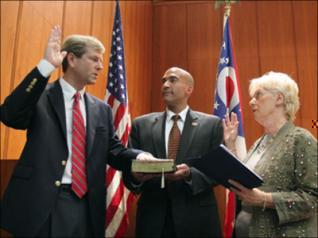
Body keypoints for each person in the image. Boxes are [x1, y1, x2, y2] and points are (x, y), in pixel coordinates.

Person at [0, 25, 154, 237]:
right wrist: (45, 66)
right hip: (42, 202)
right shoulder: (41, 96)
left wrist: (140, 156)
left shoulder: (102, 109)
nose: (100, 66)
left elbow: (113, 150)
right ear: (71, 59)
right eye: (94, 59)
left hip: (86, 204)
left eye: (101, 60)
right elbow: (10, 115)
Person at [123, 67, 223, 237]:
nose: (166, 85)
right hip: (153, 219)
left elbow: (218, 170)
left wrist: (189, 174)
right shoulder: (141, 124)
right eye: (163, 81)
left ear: (188, 89)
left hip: (197, 219)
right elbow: (128, 170)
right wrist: (136, 175)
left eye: (173, 80)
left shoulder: (212, 125)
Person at [223, 71, 317, 237]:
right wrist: (230, 145)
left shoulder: (300, 139)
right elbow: (244, 178)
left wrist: (265, 199)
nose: (251, 101)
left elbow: (313, 199)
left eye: (258, 95)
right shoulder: (259, 142)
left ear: (279, 99)